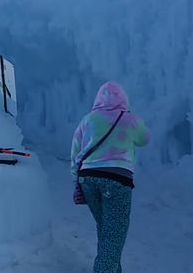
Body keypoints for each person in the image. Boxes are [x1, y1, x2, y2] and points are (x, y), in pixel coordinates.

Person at [71, 82, 151, 273]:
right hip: (117, 180)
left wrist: (76, 181)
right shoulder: (130, 120)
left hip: (88, 179)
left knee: (107, 231)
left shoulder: (88, 120)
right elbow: (145, 139)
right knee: (114, 235)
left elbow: (75, 151)